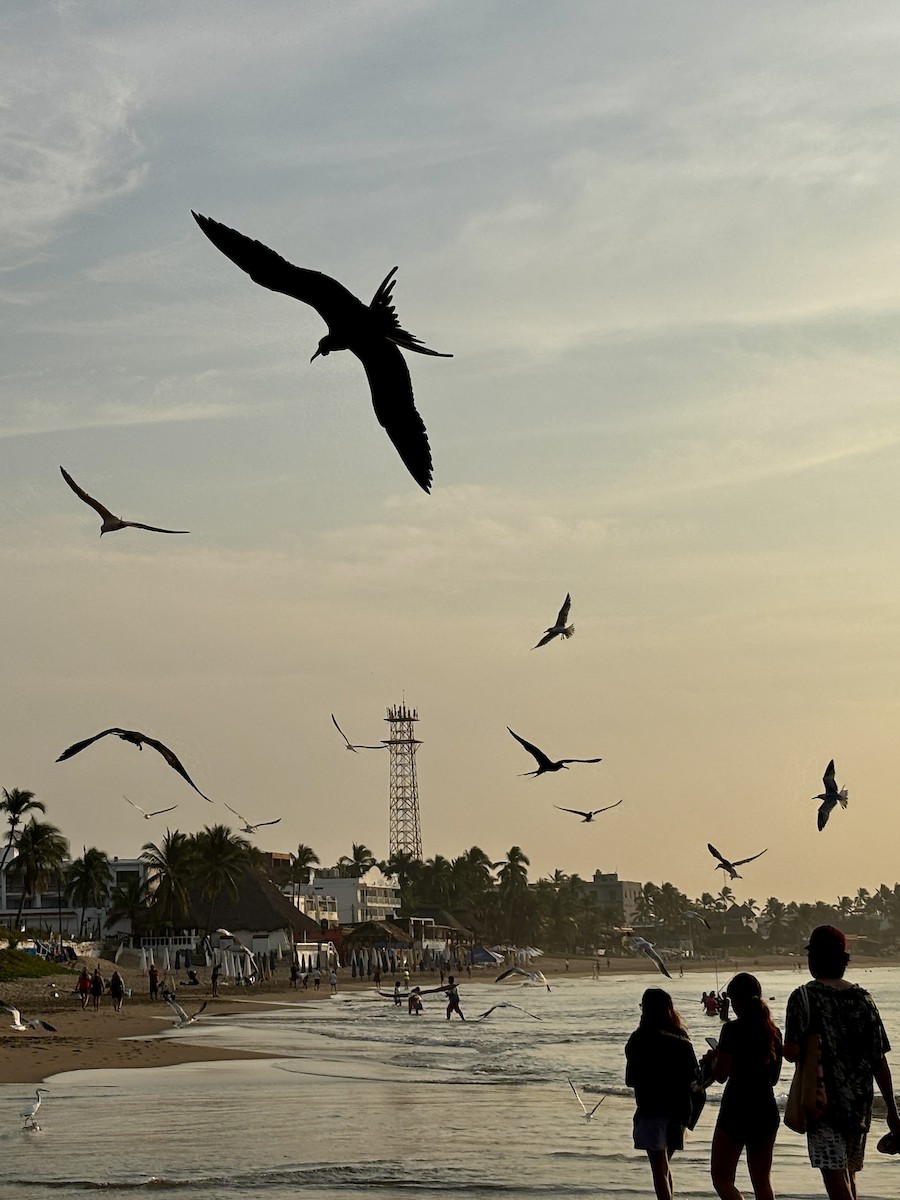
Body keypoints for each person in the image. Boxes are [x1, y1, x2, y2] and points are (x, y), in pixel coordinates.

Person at [784, 925, 900, 1200]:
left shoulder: (804, 997)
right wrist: (893, 1112)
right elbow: (878, 1060)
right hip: (859, 1105)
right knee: (848, 1173)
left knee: (834, 1177)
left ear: (814, 959)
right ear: (843, 961)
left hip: (821, 1102)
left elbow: (791, 1051)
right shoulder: (864, 999)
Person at [706, 973, 782, 1200]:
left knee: (722, 1179)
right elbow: (774, 1078)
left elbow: (721, 1076)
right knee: (762, 1183)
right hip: (766, 1108)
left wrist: (713, 1059)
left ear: (735, 1001)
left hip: (736, 1108)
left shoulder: (732, 1030)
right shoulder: (774, 1032)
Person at [625, 987, 700, 1200]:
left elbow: (631, 1080)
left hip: (651, 1109)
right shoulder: (681, 1037)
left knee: (659, 1171)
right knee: (664, 1167)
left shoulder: (639, 1039)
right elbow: (694, 1077)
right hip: (679, 1111)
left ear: (645, 1010)